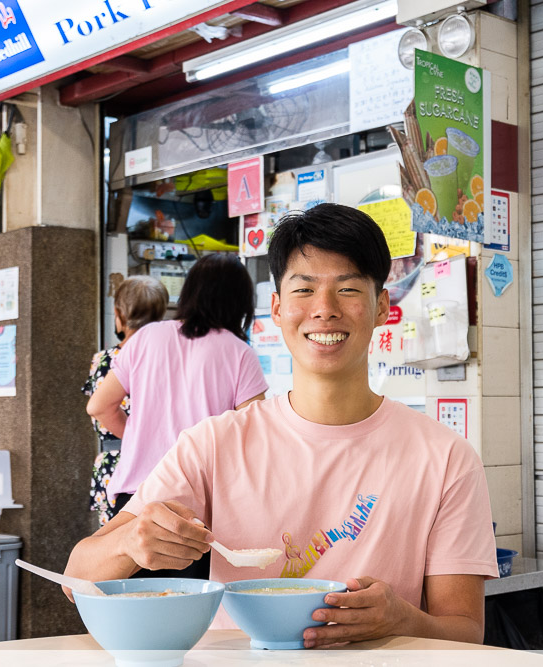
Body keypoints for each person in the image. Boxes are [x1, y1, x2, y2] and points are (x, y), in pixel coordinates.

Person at [68, 204, 496, 646]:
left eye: (347, 289)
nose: (325, 309)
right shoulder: (213, 444)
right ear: (276, 307)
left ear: (381, 306)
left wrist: (402, 620)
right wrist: (130, 543)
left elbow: (465, 631)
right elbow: (76, 577)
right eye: (304, 289)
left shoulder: (446, 458)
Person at [86, 253, 268, 577]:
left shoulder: (146, 336)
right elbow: (255, 437)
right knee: (188, 611)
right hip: (196, 506)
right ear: (241, 302)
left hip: (134, 501)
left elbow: (99, 406)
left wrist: (139, 439)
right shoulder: (240, 354)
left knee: (132, 607)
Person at [83, 276, 169, 527]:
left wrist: (133, 436)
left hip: (114, 465)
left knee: (114, 550)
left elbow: (99, 413)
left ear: (118, 314)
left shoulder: (105, 359)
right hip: (162, 464)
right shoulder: (174, 356)